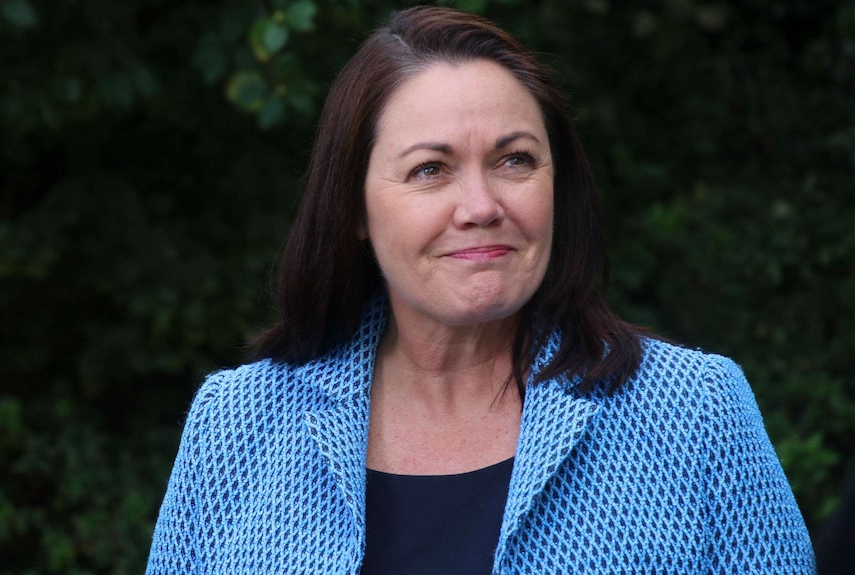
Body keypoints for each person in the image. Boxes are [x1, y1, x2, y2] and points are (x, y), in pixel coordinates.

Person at [146, 6, 816, 574]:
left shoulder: (694, 411)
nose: (480, 204)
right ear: (352, 209)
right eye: (431, 169)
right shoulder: (235, 424)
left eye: (514, 159)